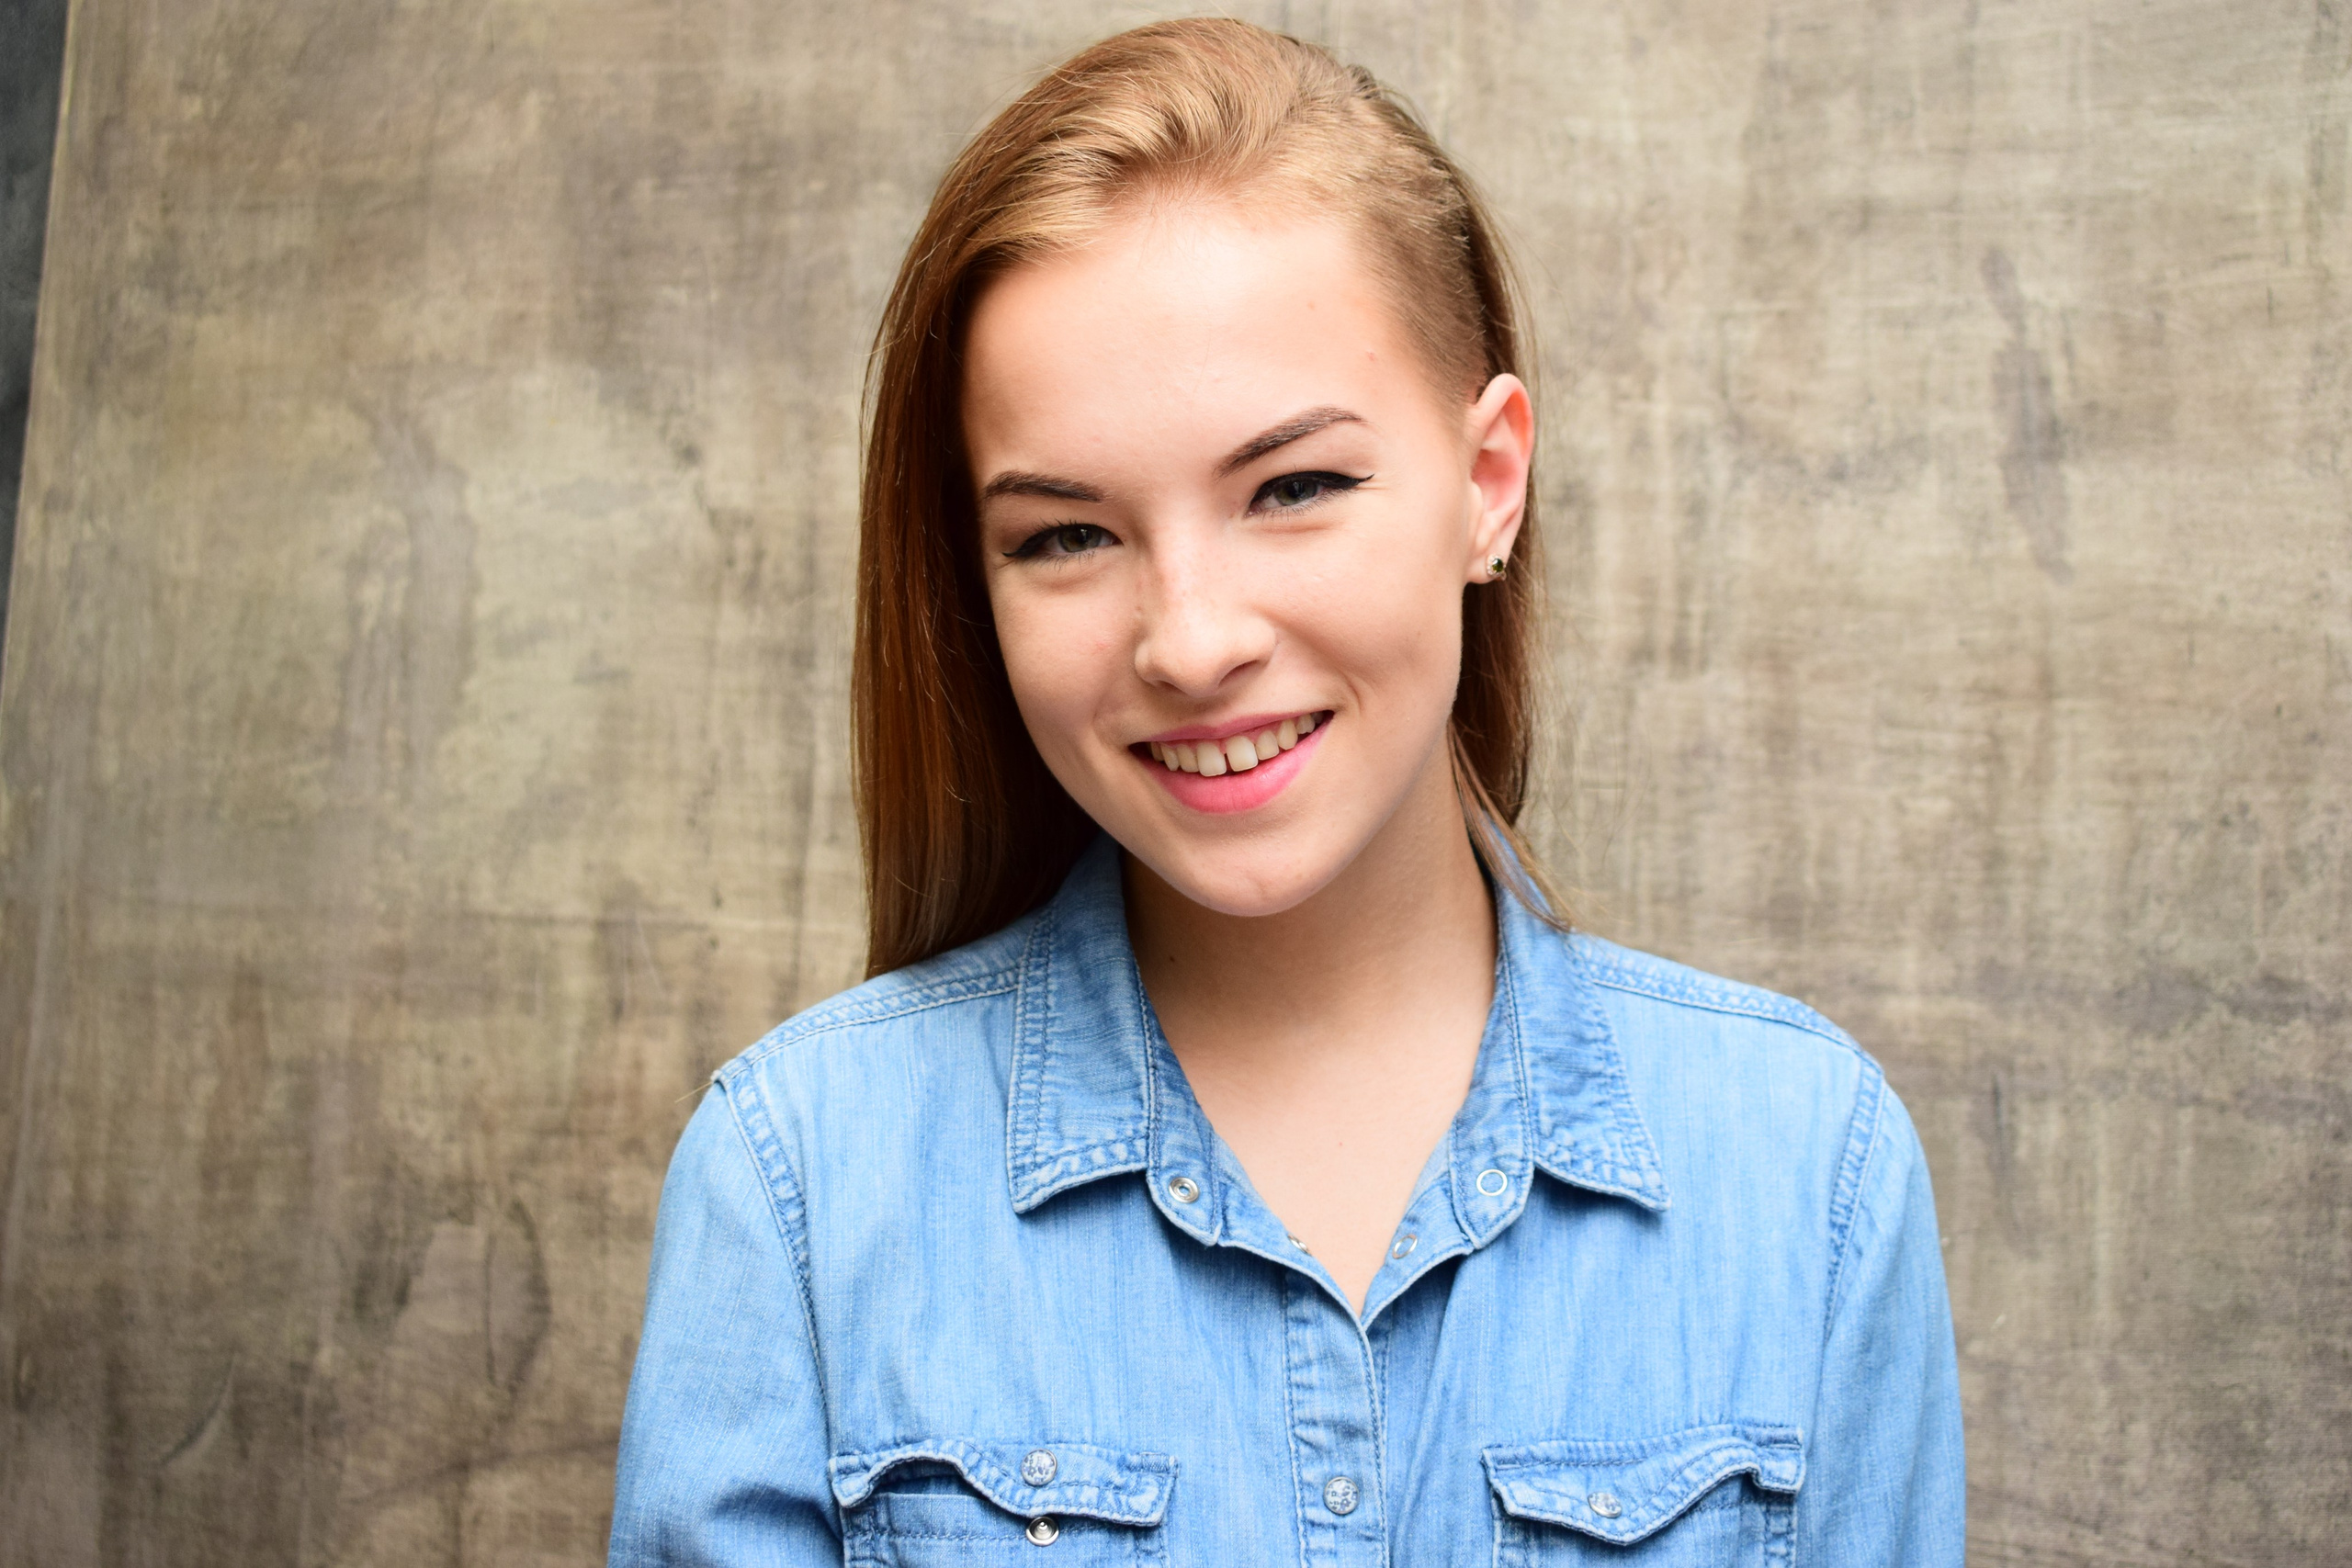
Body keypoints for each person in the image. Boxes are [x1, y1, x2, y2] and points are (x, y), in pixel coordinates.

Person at [608, 18, 1962, 1565]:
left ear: (1489, 482)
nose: (1189, 642)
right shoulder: (796, 1185)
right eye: (1065, 535)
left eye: (1295, 488)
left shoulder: (1809, 1170)